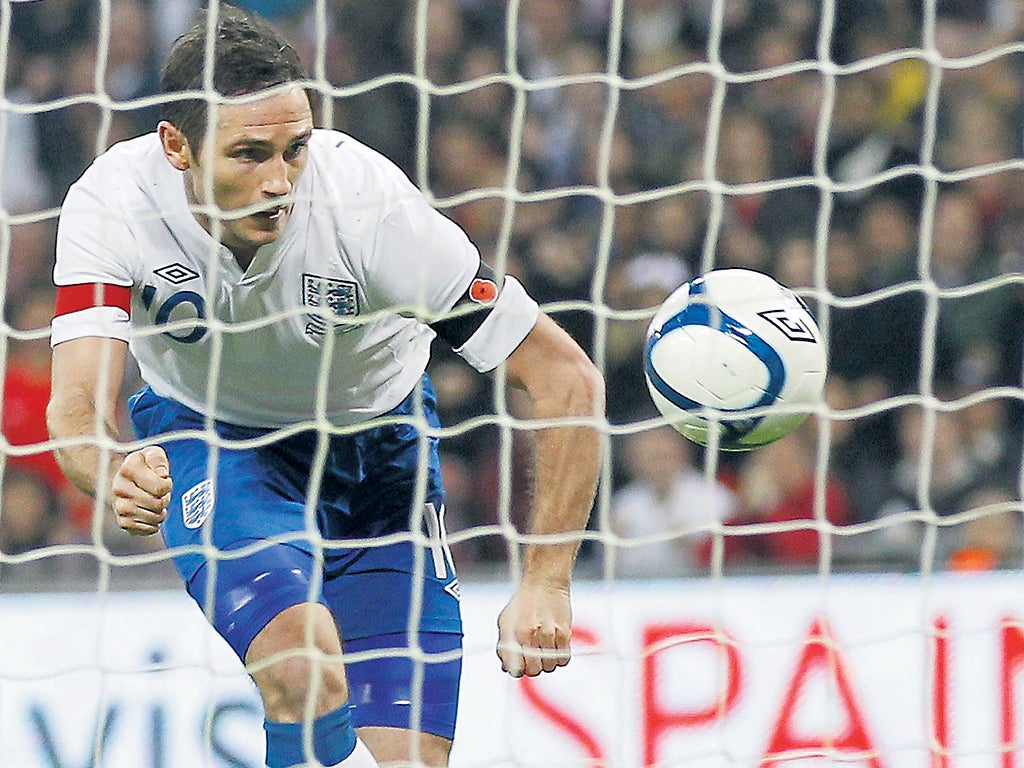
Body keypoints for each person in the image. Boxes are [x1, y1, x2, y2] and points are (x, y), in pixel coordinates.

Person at [46, 6, 604, 768]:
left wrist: (548, 581)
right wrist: (112, 471)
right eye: (248, 155)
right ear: (176, 146)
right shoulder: (114, 204)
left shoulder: (372, 211)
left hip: (384, 460)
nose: (279, 181)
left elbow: (563, 374)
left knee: (410, 758)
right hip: (218, 442)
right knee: (303, 669)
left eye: (294, 149)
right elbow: (75, 405)